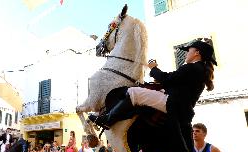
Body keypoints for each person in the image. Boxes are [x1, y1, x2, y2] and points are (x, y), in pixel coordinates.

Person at [88, 40, 217, 130]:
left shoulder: (192, 68)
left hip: (174, 104)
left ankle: (107, 120)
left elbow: (167, 78)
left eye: (189, 50)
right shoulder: (198, 69)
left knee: (134, 92)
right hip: (179, 105)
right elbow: (173, 81)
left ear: (197, 53)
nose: (186, 53)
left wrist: (153, 68)